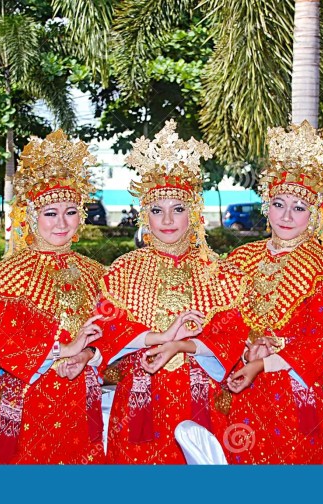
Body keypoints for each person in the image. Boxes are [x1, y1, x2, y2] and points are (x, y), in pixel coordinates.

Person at [95, 120, 250, 464]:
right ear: (143, 216)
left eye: (178, 209)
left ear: (193, 213)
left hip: (203, 400)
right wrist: (157, 338)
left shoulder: (220, 271)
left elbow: (233, 333)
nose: (167, 219)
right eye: (156, 209)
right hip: (140, 400)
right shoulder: (122, 270)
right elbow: (107, 330)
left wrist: (183, 344)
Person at [224, 121, 323, 464]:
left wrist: (268, 359)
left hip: (295, 392)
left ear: (314, 213)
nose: (287, 215)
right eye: (279, 204)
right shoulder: (240, 258)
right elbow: (220, 320)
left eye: (300, 207)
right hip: (241, 387)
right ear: (266, 205)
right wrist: (246, 345)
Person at [0, 130, 105, 464]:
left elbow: (113, 334)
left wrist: (89, 354)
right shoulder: (8, 274)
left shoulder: (96, 273)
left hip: (83, 397)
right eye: (51, 213)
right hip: (28, 401)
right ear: (32, 217)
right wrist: (64, 349)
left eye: (70, 211)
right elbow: (2, 342)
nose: (62, 223)